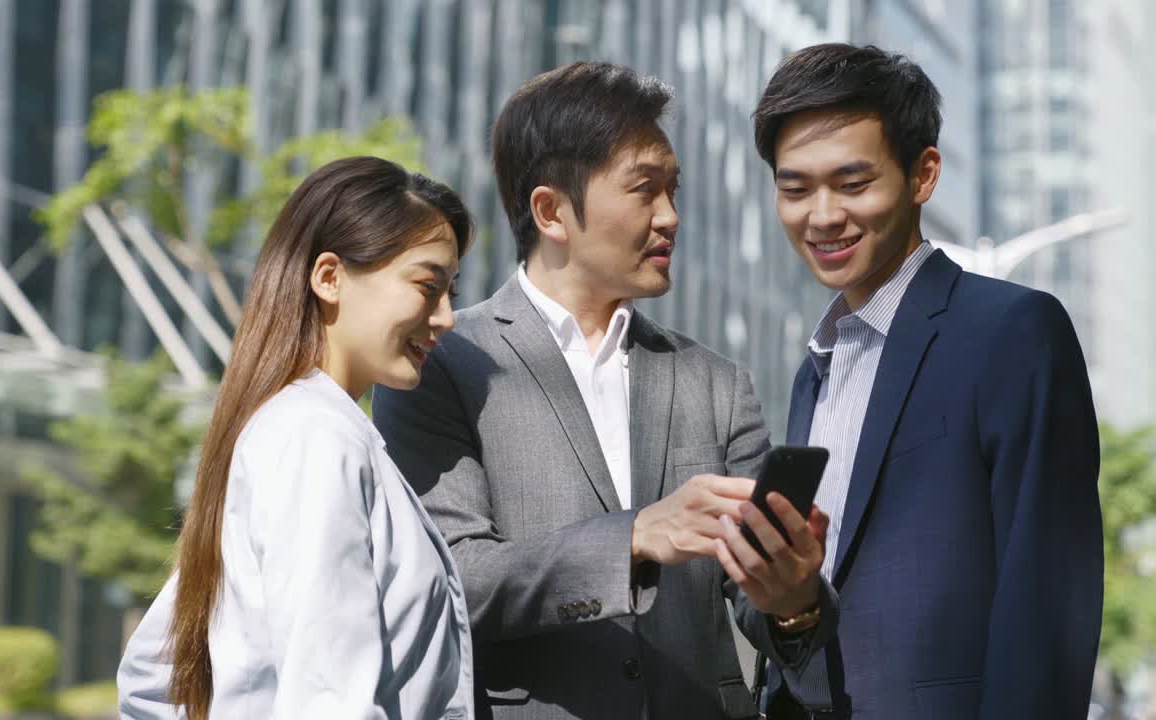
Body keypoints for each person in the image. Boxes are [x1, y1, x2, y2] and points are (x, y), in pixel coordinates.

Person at [374, 61, 836, 720]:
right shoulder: (441, 364)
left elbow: (765, 617)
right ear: (552, 211)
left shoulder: (717, 383)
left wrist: (793, 600)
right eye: (645, 189)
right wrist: (636, 537)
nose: (671, 216)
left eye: (674, 190)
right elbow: (453, 579)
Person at [751, 43, 1103, 719]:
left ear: (924, 174)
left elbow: (1047, 606)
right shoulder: (812, 373)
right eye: (795, 188)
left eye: (853, 184)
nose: (821, 216)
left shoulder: (1013, 333)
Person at [116, 156, 476, 719]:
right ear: (329, 277)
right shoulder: (315, 438)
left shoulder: (296, 427)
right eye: (428, 286)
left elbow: (154, 677)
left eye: (452, 290)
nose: (447, 317)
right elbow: (329, 698)